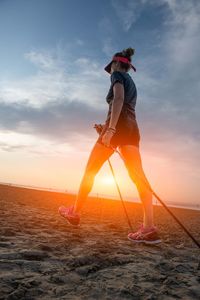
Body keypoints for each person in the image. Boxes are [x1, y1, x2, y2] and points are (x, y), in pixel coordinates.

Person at [59, 47, 161, 244]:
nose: (111, 69)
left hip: (118, 129)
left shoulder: (117, 75)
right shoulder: (133, 82)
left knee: (90, 171)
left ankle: (74, 212)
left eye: (111, 66)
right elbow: (124, 108)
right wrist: (105, 127)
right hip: (132, 130)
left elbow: (119, 99)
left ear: (116, 64)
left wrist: (111, 129)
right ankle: (149, 227)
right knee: (138, 176)